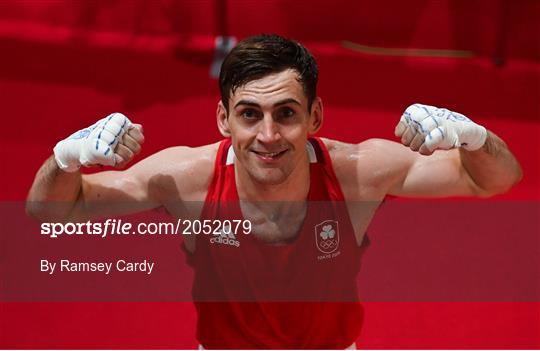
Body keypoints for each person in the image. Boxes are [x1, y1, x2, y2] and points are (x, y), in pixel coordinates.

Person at [27, 34, 522, 349]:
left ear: (315, 117)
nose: (268, 135)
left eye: (286, 113)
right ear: (223, 119)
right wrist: (65, 158)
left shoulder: (356, 173)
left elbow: (492, 179)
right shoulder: (188, 177)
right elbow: (53, 211)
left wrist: (474, 136)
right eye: (249, 114)